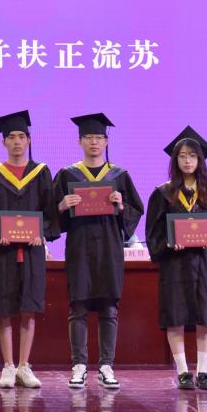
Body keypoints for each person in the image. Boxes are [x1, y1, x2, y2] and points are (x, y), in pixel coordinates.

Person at [53, 113, 143, 391]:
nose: (94, 142)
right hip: (79, 248)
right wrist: (61, 206)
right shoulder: (67, 175)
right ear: (80, 141)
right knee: (77, 306)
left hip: (109, 249)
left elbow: (135, 211)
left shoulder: (119, 176)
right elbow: (50, 215)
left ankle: (106, 366)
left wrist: (121, 206)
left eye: (99, 137)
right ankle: (79, 366)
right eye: (88, 137)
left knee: (109, 307)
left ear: (106, 141)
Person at [145, 126, 207, 391]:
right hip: (175, 264)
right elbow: (153, 232)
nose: (187, 160)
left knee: (205, 315)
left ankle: (203, 371)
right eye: (182, 156)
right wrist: (167, 242)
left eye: (192, 156)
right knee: (176, 315)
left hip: (203, 264)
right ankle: (183, 371)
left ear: (200, 160)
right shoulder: (163, 194)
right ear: (175, 160)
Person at [0, 110, 60, 389]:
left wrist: (42, 233)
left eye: (21, 136)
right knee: (4, 309)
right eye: (11, 137)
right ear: (4, 142)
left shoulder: (41, 173)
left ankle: (23, 365)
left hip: (31, 252)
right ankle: (7, 366)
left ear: (29, 140)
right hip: (3, 252)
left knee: (29, 308)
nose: (17, 141)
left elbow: (50, 212)